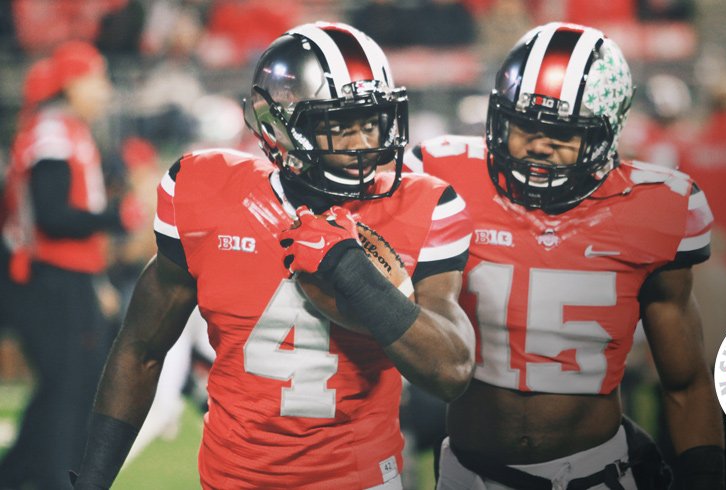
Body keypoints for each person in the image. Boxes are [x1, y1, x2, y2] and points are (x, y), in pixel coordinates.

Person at [73, 22, 475, 489]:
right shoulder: (208, 192)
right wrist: (92, 480)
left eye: (370, 121)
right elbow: (141, 349)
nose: (362, 143)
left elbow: (451, 371)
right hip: (232, 479)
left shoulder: (422, 204)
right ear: (278, 126)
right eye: (338, 125)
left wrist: (350, 269)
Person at [406, 22, 725, 489]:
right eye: (524, 125)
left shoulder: (656, 208)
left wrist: (705, 477)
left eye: (561, 133)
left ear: (605, 134)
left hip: (591, 475)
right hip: (468, 473)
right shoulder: (445, 176)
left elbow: (685, 380)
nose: (537, 144)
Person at [0, 41, 142, 489]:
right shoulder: (53, 134)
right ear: (72, 82)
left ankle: (22, 473)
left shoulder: (66, 130)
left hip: (67, 275)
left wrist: (96, 274)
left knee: (72, 384)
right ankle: (53, 477)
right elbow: (52, 215)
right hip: (48, 276)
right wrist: (116, 218)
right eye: (95, 78)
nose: (103, 89)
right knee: (69, 386)